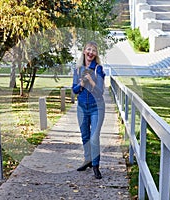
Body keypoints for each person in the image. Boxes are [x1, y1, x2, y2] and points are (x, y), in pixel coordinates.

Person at [72, 41, 105, 179]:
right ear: (84, 51)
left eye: (94, 50)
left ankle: (96, 166)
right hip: (81, 107)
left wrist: (91, 81)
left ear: (96, 54)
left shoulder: (98, 69)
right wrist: (81, 83)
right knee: (85, 136)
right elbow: (74, 90)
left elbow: (100, 91)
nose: (91, 52)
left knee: (93, 138)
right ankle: (88, 160)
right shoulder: (78, 69)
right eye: (89, 49)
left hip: (96, 107)